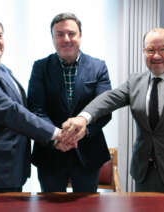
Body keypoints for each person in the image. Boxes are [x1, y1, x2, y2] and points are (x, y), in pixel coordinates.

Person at [62, 28, 164, 193]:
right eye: (150, 50)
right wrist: (83, 118)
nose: (156, 56)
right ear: (144, 52)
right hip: (144, 175)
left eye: (163, 49)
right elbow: (108, 99)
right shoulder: (135, 82)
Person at [0, 14, 68, 194]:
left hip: (7, 170)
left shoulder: (1, 69)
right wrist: (56, 134)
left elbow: (22, 109)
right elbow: (11, 112)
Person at [27, 13, 112, 192]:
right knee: (50, 207)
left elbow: (104, 108)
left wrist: (83, 132)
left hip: (88, 153)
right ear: (52, 38)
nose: (66, 39)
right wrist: (56, 136)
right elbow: (36, 109)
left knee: (87, 208)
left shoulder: (98, 67)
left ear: (80, 35)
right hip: (50, 152)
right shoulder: (40, 68)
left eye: (71, 33)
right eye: (60, 34)